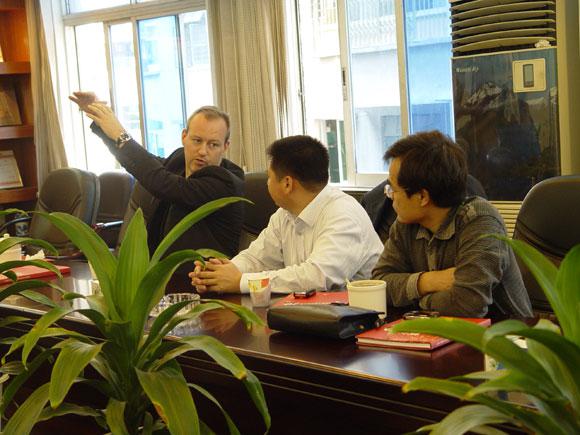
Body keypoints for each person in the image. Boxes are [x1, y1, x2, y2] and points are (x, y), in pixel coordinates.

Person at [70, 93, 244, 283]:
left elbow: (162, 183)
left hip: (200, 284)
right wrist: (101, 120)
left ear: (225, 146)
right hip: (157, 279)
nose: (203, 151)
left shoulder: (227, 181)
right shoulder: (178, 161)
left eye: (213, 144)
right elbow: (141, 164)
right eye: (197, 140)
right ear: (184, 137)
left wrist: (120, 134)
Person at [190, 135, 383, 294]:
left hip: (362, 320)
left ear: (287, 184)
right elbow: (257, 258)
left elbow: (318, 278)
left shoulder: (343, 215)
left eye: (270, 177)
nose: (267, 183)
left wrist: (241, 281)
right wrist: (220, 273)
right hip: (310, 315)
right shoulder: (285, 214)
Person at [372, 130, 532, 318]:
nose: (390, 196)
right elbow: (379, 285)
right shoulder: (406, 223)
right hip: (435, 331)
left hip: (502, 333)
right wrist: (428, 281)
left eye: (393, 189)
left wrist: (418, 301)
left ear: (422, 197)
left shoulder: (480, 221)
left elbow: (468, 304)